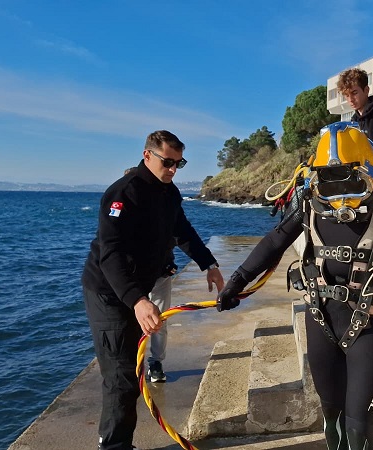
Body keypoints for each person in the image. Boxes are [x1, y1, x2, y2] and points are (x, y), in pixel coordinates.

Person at [216, 121, 373, 450]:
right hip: (320, 318)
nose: (343, 200)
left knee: (359, 425)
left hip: (371, 324)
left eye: (353, 183)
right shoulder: (307, 199)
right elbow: (274, 241)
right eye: (332, 186)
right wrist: (236, 282)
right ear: (318, 178)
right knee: (331, 414)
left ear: (372, 172)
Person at [82, 130, 224, 450]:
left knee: (132, 374)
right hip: (108, 293)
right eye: (168, 162)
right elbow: (110, 253)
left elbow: (182, 231)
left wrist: (209, 264)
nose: (173, 169)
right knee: (121, 378)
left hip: (137, 292)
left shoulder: (169, 193)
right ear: (148, 155)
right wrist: (137, 300)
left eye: (179, 163)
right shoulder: (123, 193)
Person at [123, 166, 176, 384]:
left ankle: (156, 363)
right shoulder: (120, 216)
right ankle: (132, 364)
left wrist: (170, 264)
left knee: (159, 321)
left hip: (160, 276)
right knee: (132, 321)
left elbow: (176, 236)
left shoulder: (162, 209)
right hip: (133, 280)